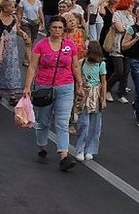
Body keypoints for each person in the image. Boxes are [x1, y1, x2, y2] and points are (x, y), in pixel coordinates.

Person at [22, 15, 84, 172]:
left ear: (64, 30)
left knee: (62, 122)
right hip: (44, 86)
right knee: (43, 121)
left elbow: (75, 66)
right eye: (55, 27)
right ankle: (42, 146)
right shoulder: (40, 45)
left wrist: (80, 85)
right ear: (49, 28)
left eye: (60, 28)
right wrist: (27, 87)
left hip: (65, 86)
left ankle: (64, 155)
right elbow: (32, 67)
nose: (57, 30)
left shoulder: (70, 45)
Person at [75, 41, 107, 162]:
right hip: (84, 94)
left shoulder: (101, 64)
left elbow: (103, 82)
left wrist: (103, 99)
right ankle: (80, 149)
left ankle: (90, 149)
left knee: (95, 125)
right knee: (84, 123)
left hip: (96, 95)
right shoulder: (82, 62)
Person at [0, 0, 25, 105]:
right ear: (4, 8)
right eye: (12, 7)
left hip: (12, 49)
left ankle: (12, 94)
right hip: (1, 48)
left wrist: (23, 34)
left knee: (13, 71)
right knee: (0, 70)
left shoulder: (14, 18)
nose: (14, 9)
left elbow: (17, 30)